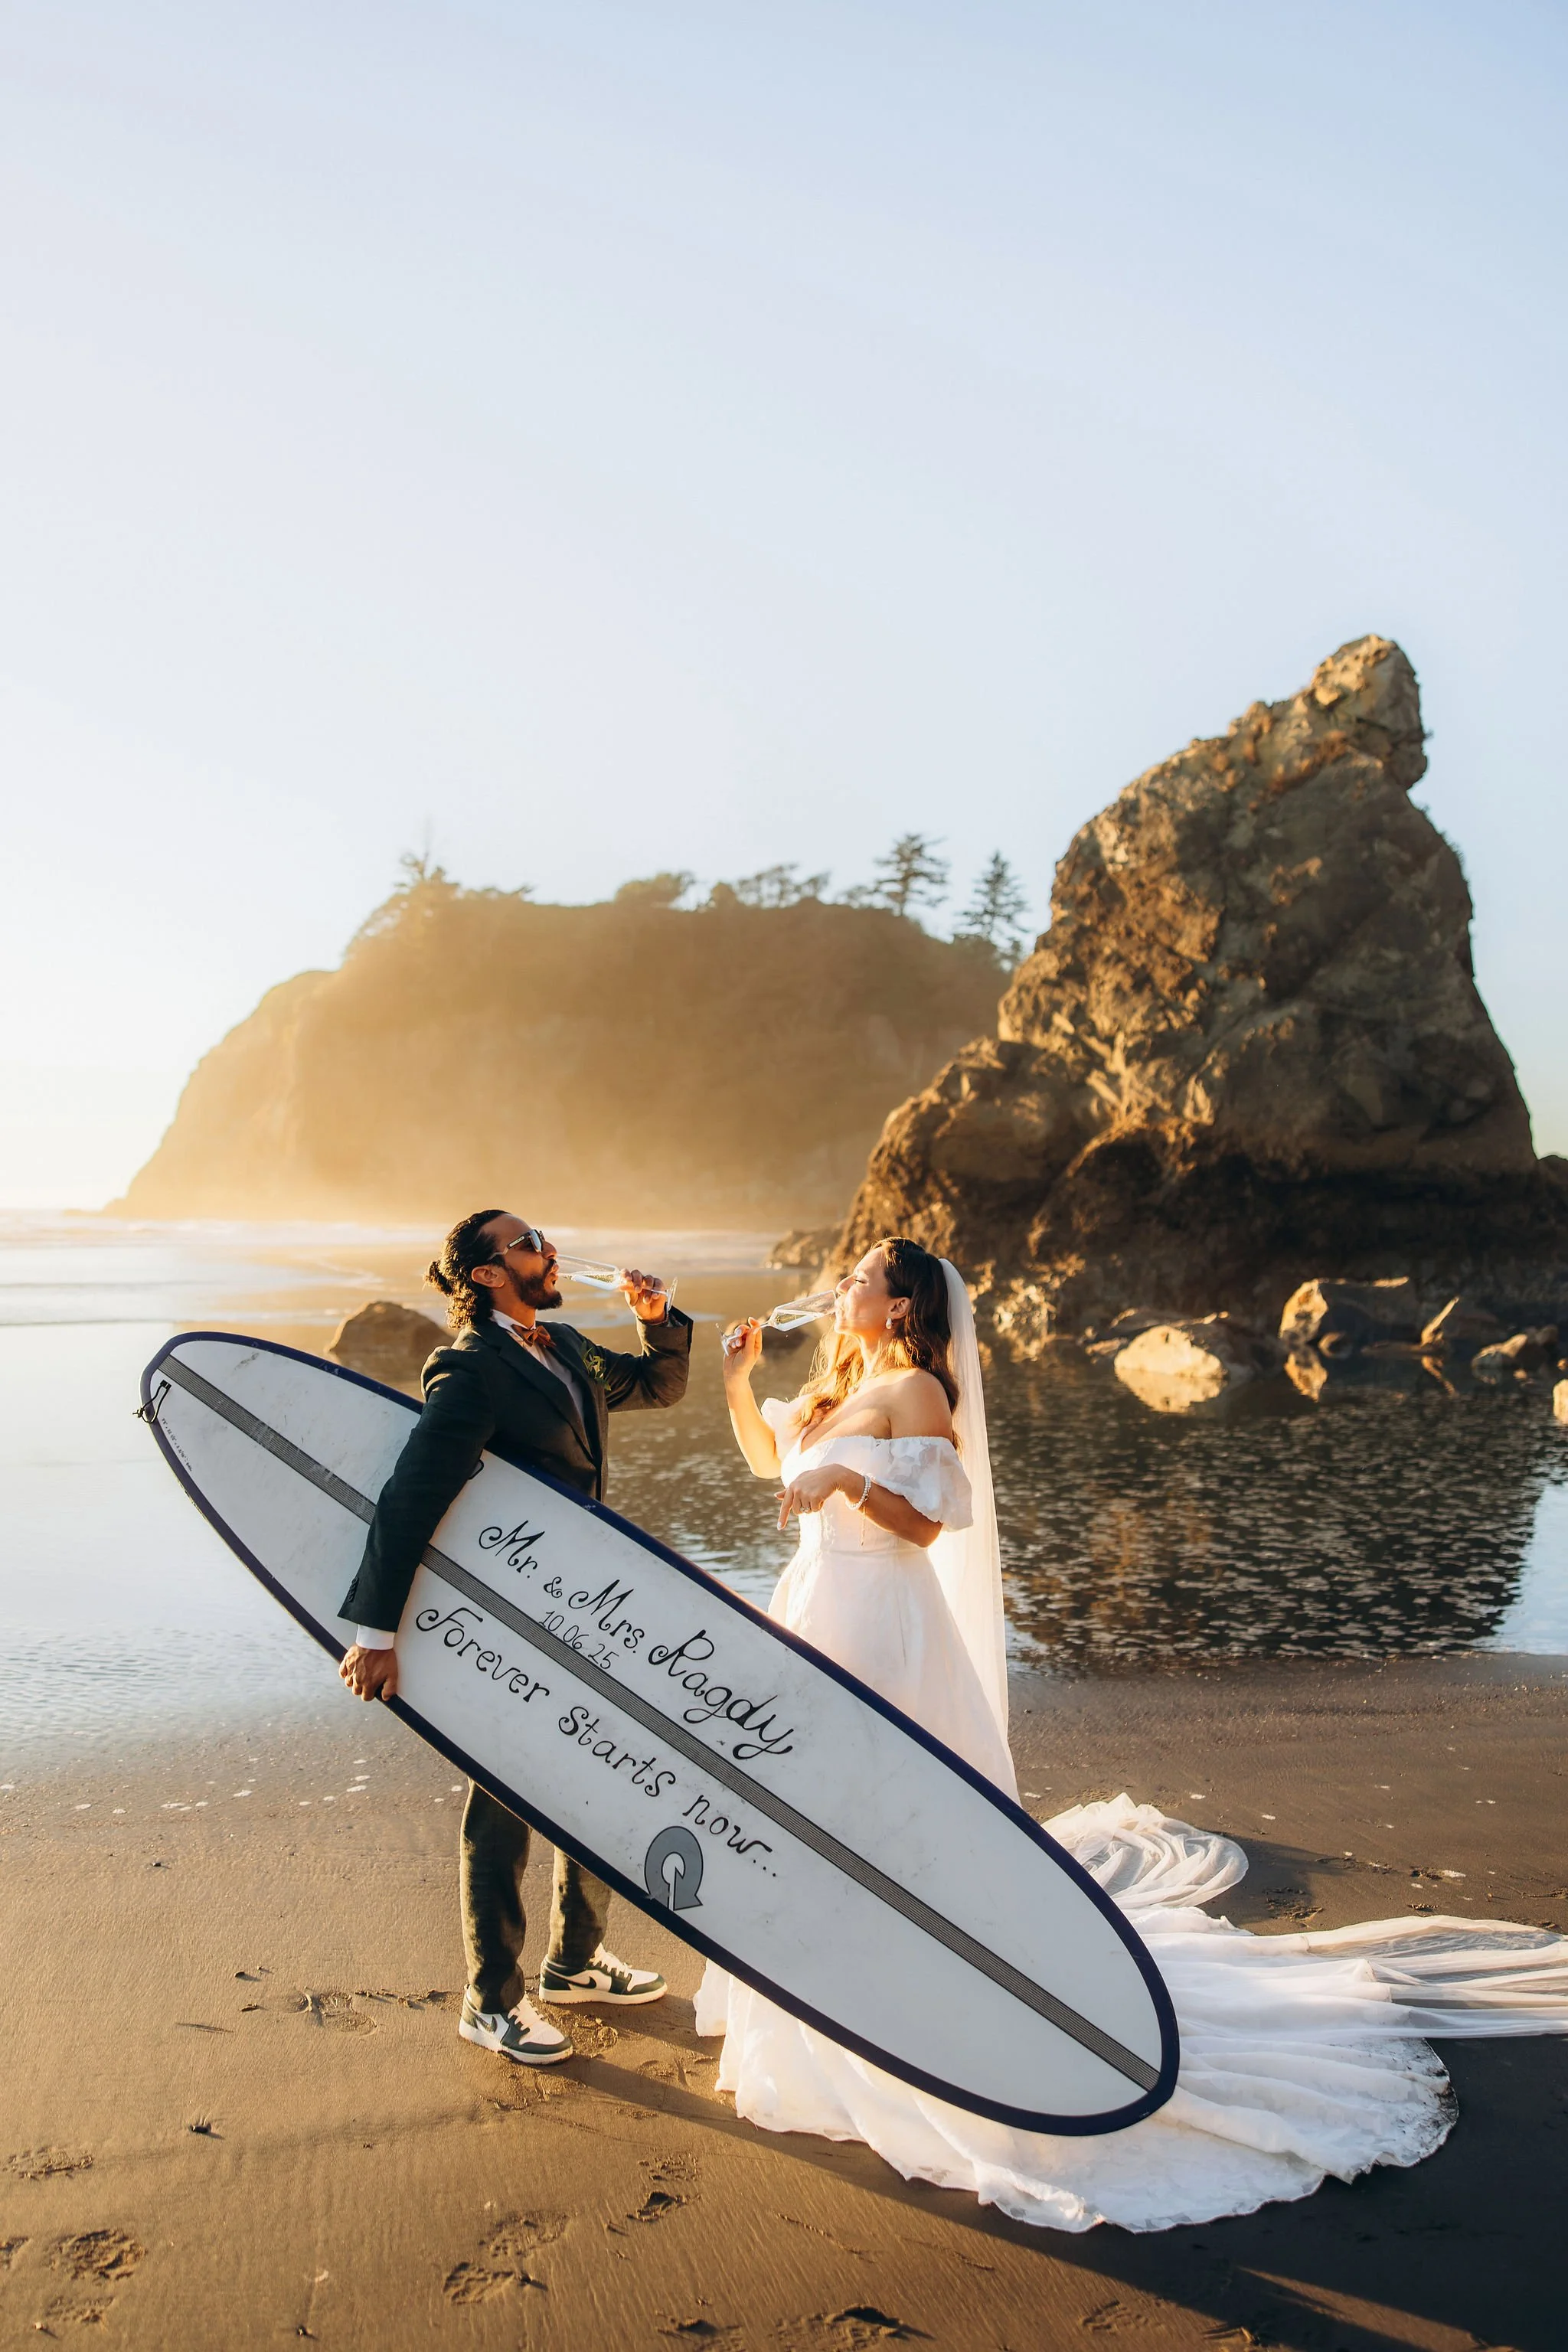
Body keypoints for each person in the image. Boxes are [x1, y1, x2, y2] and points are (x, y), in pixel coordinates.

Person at [702, 1234, 1568, 2233]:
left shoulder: (920, 1396)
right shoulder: (840, 1389)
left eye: (863, 1279)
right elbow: (777, 1466)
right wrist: (738, 1383)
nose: (845, 1286)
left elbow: (931, 1526)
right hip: (813, 1613)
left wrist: (847, 1487)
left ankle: (889, 2010)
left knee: (877, 1817)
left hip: (878, 1628)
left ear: (903, 1309)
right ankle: (810, 1996)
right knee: (806, 1807)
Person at [338, 1209, 691, 2067]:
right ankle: (490, 1999)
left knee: (596, 1776)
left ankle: (573, 1960)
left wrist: (656, 1323)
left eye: (542, 1237)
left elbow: (656, 1386)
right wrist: (376, 1632)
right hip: (508, 1616)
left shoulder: (564, 1348)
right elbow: (412, 1494)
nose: (548, 1248)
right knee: (503, 1793)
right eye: (529, 1242)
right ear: (491, 1274)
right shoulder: (470, 1370)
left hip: (584, 1610)